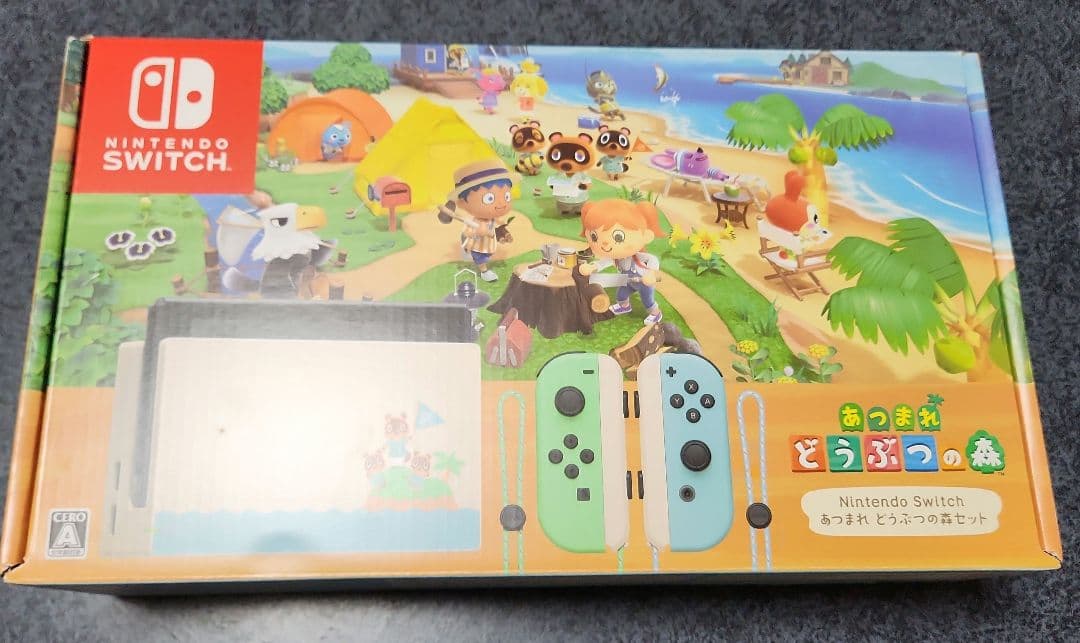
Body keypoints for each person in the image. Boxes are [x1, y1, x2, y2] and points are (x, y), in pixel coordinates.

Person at [578, 199, 666, 324]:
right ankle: (624, 306)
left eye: (618, 237)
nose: (605, 244)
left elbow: (652, 259)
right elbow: (602, 263)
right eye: (594, 236)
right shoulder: (615, 257)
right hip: (628, 281)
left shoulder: (637, 256)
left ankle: (656, 314)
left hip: (644, 283)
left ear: (646, 236)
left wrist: (651, 274)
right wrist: (592, 267)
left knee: (648, 301)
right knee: (621, 294)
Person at [438, 159, 518, 282]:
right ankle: (484, 271)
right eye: (489, 198)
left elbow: (496, 224)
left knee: (488, 252)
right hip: (478, 245)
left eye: (506, 197)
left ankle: (496, 245)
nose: (501, 204)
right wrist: (479, 232)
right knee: (480, 257)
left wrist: (500, 225)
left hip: (488, 243)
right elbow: (468, 233)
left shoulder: (491, 218)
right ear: (462, 203)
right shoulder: (475, 222)